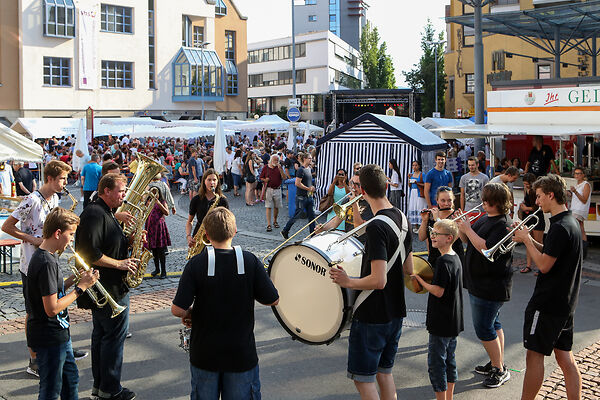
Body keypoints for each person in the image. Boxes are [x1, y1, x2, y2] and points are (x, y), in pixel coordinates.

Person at [171, 207, 279, 399]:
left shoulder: (196, 264)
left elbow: (177, 309)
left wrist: (190, 313)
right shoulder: (249, 260)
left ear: (206, 234)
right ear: (235, 231)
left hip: (204, 354)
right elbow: (273, 299)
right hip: (241, 355)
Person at [329, 164, 414, 400]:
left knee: (363, 378)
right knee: (384, 373)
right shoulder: (401, 218)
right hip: (396, 311)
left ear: (363, 192)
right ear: (386, 186)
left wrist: (348, 281)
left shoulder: (377, 226)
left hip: (373, 313)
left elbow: (378, 280)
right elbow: (408, 269)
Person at [1, 160, 88, 378]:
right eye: (62, 179)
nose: (65, 183)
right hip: (31, 262)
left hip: (49, 257)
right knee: (34, 312)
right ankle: (34, 360)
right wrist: (33, 239)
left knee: (57, 300)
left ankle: (64, 346)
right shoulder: (32, 200)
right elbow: (7, 226)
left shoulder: (55, 198)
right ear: (49, 178)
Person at [512, 174, 582, 400]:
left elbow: (543, 265)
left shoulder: (561, 227)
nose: (538, 202)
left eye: (540, 196)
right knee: (565, 359)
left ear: (551, 195)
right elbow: (552, 251)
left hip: (548, 303)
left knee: (534, 356)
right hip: (565, 303)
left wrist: (525, 241)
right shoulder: (569, 223)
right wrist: (529, 240)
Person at [75, 173, 139, 400]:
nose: (124, 195)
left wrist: (129, 242)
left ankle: (101, 389)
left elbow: (107, 243)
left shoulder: (105, 212)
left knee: (102, 338)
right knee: (111, 339)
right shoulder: (95, 213)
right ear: (106, 191)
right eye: (121, 191)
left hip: (109, 286)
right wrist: (120, 263)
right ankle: (110, 390)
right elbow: (90, 253)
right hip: (107, 288)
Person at [25, 207, 99, 400]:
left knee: (71, 379)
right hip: (49, 335)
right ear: (58, 233)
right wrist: (81, 287)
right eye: (71, 234)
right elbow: (52, 308)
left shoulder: (48, 256)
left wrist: (74, 280)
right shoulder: (47, 262)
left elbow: (52, 292)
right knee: (51, 390)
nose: (72, 240)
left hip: (58, 333)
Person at [456, 183, 514, 388]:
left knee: (484, 329)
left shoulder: (503, 224)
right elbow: (467, 240)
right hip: (479, 282)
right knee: (494, 325)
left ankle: (499, 369)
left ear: (497, 202)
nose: (483, 202)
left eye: (487, 199)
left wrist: (469, 229)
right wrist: (462, 226)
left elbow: (486, 248)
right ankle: (496, 362)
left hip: (491, 285)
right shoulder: (485, 218)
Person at [412, 219, 463, 400]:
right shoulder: (455, 257)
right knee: (449, 360)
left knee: (436, 363)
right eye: (432, 233)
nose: (432, 236)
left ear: (449, 238)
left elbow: (438, 292)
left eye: (436, 234)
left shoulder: (442, 262)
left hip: (441, 320)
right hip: (453, 320)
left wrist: (421, 281)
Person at [418, 186, 465, 272]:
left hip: (452, 260)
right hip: (434, 258)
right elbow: (421, 238)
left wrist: (437, 220)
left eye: (449, 200)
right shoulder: (432, 215)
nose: (446, 204)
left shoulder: (457, 216)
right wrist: (424, 221)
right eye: (443, 200)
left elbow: (449, 240)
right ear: (437, 201)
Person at [186, 168, 229, 248]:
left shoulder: (222, 200)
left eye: (214, 180)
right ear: (204, 181)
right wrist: (188, 236)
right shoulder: (196, 199)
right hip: (199, 235)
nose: (212, 183)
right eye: (209, 180)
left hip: (217, 237)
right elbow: (189, 221)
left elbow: (227, 223)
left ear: (217, 182)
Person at [281, 153, 316, 239]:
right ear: (305, 159)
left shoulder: (309, 169)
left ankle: (313, 234)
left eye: (311, 159)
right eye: (309, 158)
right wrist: (308, 188)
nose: (311, 160)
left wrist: (311, 187)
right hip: (301, 197)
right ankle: (285, 230)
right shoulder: (301, 170)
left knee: (312, 216)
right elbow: (297, 183)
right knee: (297, 216)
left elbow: (308, 181)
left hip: (309, 197)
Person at [518, 173, 546, 274]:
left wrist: (526, 208)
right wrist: (523, 205)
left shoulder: (536, 190)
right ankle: (528, 265)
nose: (526, 186)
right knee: (528, 242)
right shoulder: (526, 189)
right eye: (525, 184)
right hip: (528, 217)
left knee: (538, 242)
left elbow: (538, 207)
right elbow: (527, 201)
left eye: (528, 184)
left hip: (537, 216)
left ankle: (541, 266)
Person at [147, 177, 172, 279]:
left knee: (161, 251)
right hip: (150, 227)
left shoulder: (162, 201)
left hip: (159, 227)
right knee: (154, 250)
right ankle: (157, 269)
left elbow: (166, 212)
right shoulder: (147, 201)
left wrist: (158, 203)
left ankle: (164, 271)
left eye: (155, 192)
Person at [259, 154, 289, 232]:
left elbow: (284, 178)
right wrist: (265, 180)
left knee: (276, 207)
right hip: (269, 189)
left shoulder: (279, 168)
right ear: (271, 160)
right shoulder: (266, 167)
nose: (276, 162)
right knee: (268, 206)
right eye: (275, 160)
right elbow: (261, 177)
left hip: (277, 189)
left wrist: (281, 169)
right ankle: (269, 224)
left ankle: (275, 221)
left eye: (277, 160)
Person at [568, 167, 591, 259]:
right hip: (575, 209)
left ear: (583, 175)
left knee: (576, 229)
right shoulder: (576, 185)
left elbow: (584, 199)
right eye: (575, 173)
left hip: (580, 209)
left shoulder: (586, 184)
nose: (577, 175)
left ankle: (579, 250)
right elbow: (575, 196)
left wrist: (575, 192)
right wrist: (569, 193)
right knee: (580, 229)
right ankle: (582, 251)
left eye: (579, 173)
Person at [407, 160, 426, 233]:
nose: (414, 167)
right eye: (413, 165)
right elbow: (409, 186)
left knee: (420, 208)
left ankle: (422, 227)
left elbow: (425, 185)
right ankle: (415, 226)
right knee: (413, 207)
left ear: (419, 166)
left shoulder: (422, 174)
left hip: (419, 193)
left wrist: (417, 183)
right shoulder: (411, 174)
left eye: (416, 165)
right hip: (413, 193)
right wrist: (409, 179)